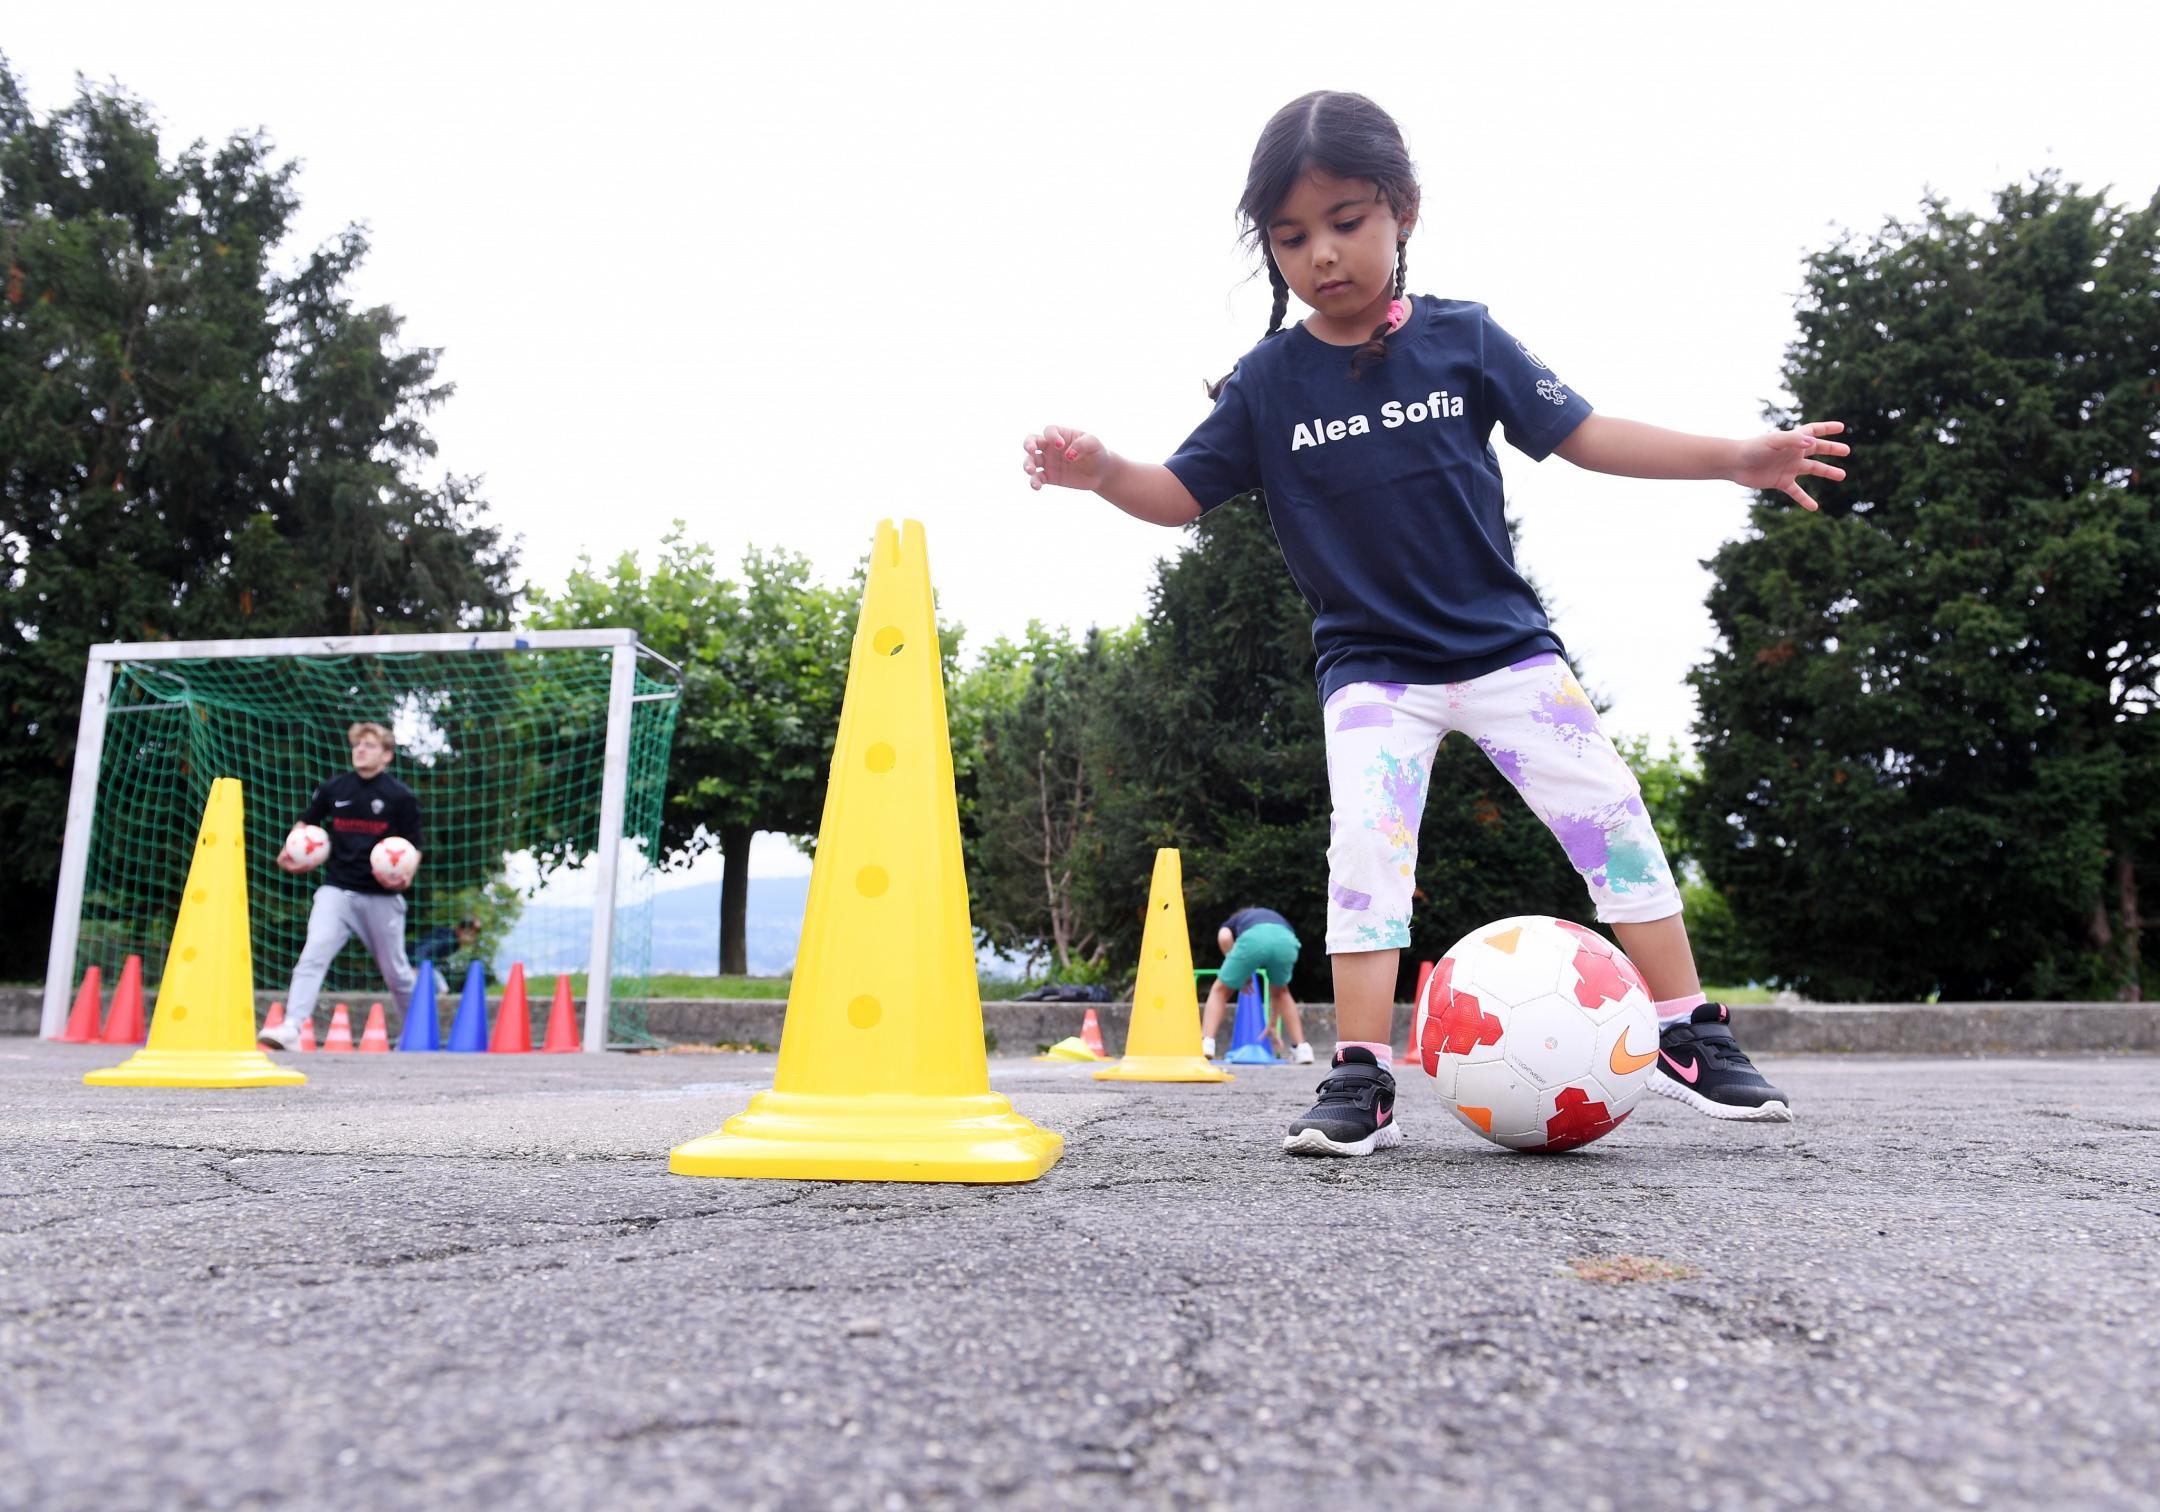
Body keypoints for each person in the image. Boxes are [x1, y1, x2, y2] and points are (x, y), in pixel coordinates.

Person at [1022, 91, 1839, 1156]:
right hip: (1373, 674)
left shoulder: (1466, 339)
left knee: (1614, 817)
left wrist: (1734, 455)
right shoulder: (1270, 383)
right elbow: (1178, 493)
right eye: (1292, 237)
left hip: (1506, 652)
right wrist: (1104, 474)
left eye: (1347, 222)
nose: (1321, 255)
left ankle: (1685, 1028)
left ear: (1404, 212)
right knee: (1365, 852)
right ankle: (1361, 1075)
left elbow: (1587, 435)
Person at [258, 722, 424, 1052]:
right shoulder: (334, 789)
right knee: (313, 953)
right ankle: (291, 1028)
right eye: (357, 745)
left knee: (397, 973)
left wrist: (407, 875)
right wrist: (290, 849)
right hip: (336, 891)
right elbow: (307, 824)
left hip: (381, 897)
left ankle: (418, 1030)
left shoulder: (400, 797)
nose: (361, 750)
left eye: (370, 745)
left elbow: (414, 846)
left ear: (387, 755)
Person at [1201, 907, 1313, 1064]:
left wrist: (1238, 966)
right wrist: (1272, 1023)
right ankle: (1302, 1049)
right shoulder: (1271, 916)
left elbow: (1225, 938)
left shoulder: (1234, 921)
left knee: (1220, 990)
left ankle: (1207, 1042)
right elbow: (1275, 994)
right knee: (1282, 993)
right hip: (1286, 940)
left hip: (1254, 939)